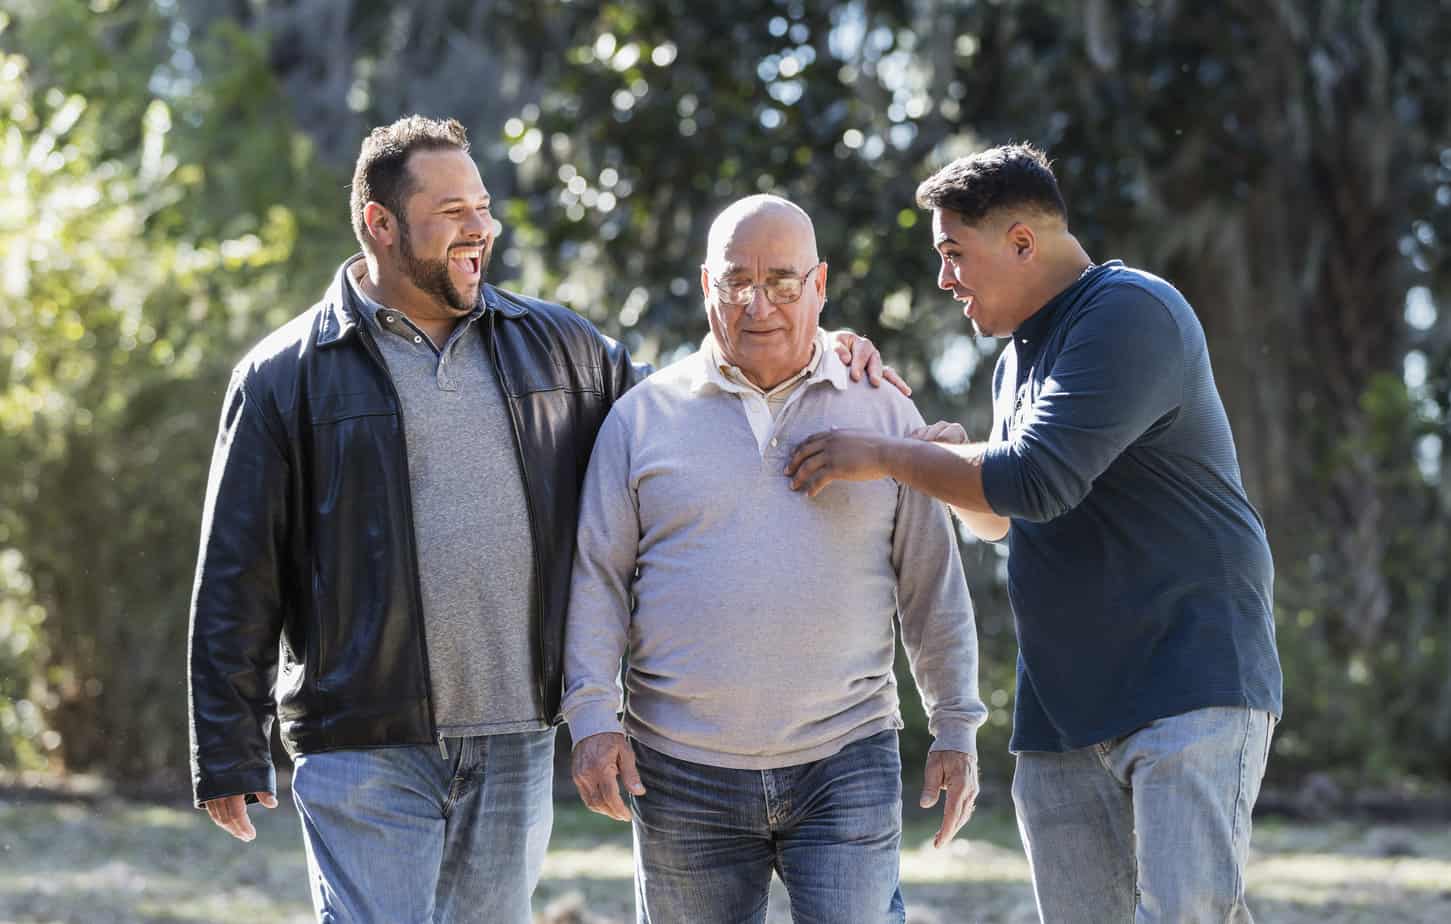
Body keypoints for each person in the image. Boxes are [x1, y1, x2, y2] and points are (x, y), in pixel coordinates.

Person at [186, 116, 894, 923]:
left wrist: (818, 347)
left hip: (517, 733)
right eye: (452, 211)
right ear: (380, 224)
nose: (480, 227)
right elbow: (238, 568)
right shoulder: (285, 375)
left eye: (482, 207)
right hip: (363, 735)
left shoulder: (557, 347)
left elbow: (693, 409)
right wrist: (227, 744)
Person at [785, 145, 1283, 923]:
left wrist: (886, 455)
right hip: (1062, 711)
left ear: (1021, 242)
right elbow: (998, 515)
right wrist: (943, 459)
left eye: (954, 252)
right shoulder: (1011, 362)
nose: (943, 278)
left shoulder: (1129, 312)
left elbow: (1034, 481)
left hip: (1186, 682)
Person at [563, 194, 987, 924]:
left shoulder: (883, 413)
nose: (757, 305)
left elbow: (931, 585)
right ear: (707, 286)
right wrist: (593, 719)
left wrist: (955, 725)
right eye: (736, 281)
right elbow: (596, 578)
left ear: (819, 285)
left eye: (783, 283)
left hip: (845, 757)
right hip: (679, 768)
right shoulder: (642, 417)